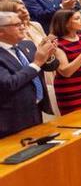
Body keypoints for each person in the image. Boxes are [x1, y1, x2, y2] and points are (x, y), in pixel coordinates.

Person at [0, 10, 58, 138]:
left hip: (35, 109)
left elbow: (50, 67)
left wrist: (48, 55)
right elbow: (8, 83)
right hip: (10, 119)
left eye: (21, 23)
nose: (22, 27)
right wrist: (37, 62)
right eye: (16, 25)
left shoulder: (27, 45)